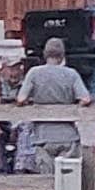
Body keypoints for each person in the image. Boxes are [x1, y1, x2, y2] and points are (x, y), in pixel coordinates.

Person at [16, 36, 90, 176]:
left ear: (45, 54)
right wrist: (74, 107)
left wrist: (31, 104)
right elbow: (85, 99)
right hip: (68, 136)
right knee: (68, 180)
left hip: (43, 136)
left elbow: (21, 98)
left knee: (47, 180)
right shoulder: (71, 74)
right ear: (62, 55)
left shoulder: (34, 73)